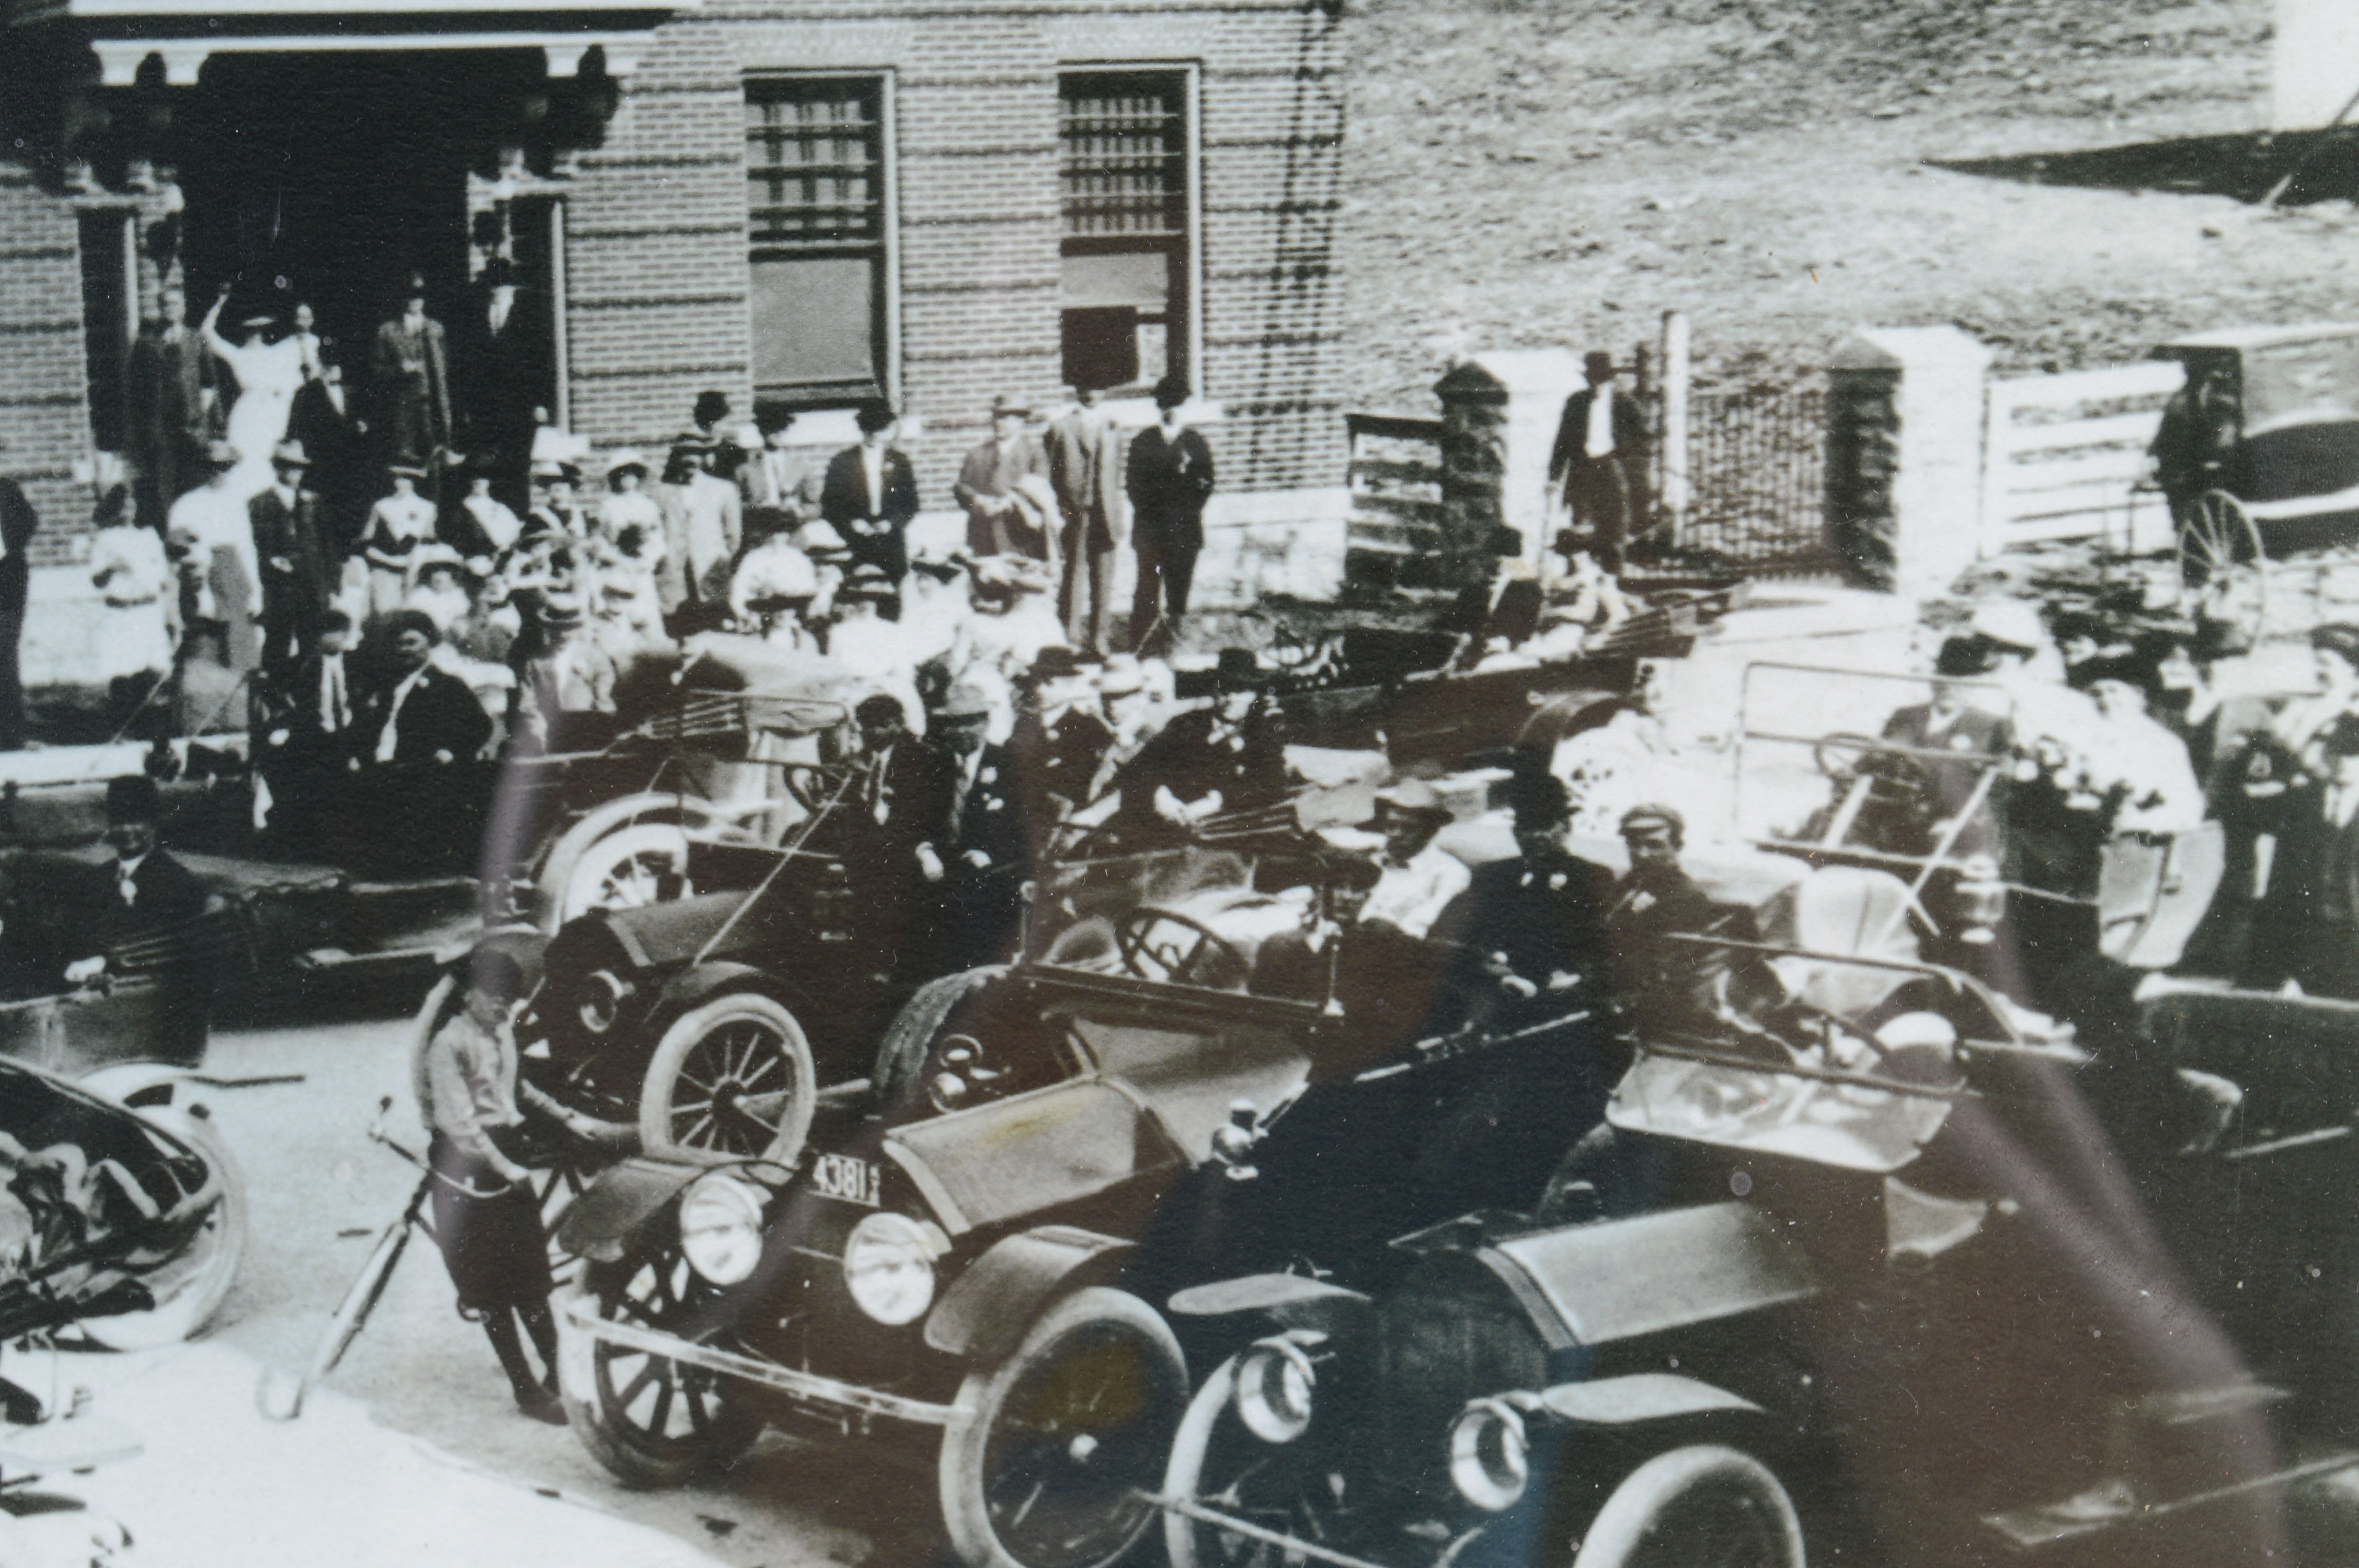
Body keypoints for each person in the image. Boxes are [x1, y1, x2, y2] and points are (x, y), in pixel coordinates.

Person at [415, 949, 579, 1423]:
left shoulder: (501, 1033)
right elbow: (460, 1126)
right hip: (464, 1168)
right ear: (469, 995)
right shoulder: (449, 1044)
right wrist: (507, 1168)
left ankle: (560, 1373)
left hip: (506, 1155)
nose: (505, 1006)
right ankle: (527, 1390)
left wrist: (568, 1118)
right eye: (495, 996)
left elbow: (516, 1090)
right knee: (488, 1288)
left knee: (532, 1278)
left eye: (511, 997)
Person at [61, 776, 215, 1063]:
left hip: (156, 1019)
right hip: (94, 1019)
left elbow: (180, 958)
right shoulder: (94, 880)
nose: (127, 830)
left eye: (136, 821)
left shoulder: (178, 883)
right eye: (119, 821)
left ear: (154, 825)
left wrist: (112, 969)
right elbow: (78, 938)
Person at [356, 609, 493, 867]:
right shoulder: (386, 685)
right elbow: (365, 727)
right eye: (399, 644)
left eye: (412, 643)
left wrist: (450, 750)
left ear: (429, 644)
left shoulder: (446, 685)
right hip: (381, 768)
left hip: (421, 770)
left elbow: (479, 725)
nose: (405, 650)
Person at [1116, 648, 1289, 838]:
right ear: (1213, 690)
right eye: (1224, 690)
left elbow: (1272, 784)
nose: (1230, 699)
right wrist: (1159, 795)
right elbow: (1140, 766)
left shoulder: (1261, 733)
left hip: (1224, 833)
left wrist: (1216, 801)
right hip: (1166, 826)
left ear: (1253, 695)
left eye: (1240, 691)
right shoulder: (1185, 724)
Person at [2247, 714, 2359, 999]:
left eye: (2355, 755)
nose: (2345, 763)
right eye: (2338, 752)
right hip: (2307, 929)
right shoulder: (2302, 800)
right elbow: (2282, 871)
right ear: (2327, 755)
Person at [167, 440, 262, 732]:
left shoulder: (237, 501)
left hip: (234, 578)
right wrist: (200, 590)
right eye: (212, 467)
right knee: (204, 647)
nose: (218, 473)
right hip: (201, 578)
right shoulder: (187, 504)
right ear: (202, 469)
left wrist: (256, 590)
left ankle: (238, 718)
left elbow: (247, 548)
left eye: (224, 467)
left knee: (238, 646)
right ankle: (202, 719)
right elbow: (180, 550)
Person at [1125, 374, 1215, 653]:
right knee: (1147, 590)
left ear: (1184, 408)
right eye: (1166, 404)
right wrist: (1156, 510)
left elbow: (1206, 483)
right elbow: (1134, 487)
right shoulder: (1144, 442)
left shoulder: (1196, 443)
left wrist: (1185, 508)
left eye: (1177, 405)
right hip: (1151, 531)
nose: (1172, 410)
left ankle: (1174, 642)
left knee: (1179, 591)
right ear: (1159, 407)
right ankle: (1142, 645)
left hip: (1185, 530)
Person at [1547, 351, 1648, 580]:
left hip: (1613, 468)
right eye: (1592, 379)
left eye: (1601, 380)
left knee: (1614, 524)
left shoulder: (1626, 404)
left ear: (1609, 379)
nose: (1596, 385)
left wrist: (1632, 471)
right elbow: (1562, 441)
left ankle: (1611, 577)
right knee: (1580, 523)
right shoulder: (1576, 402)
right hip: (1582, 468)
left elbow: (1643, 443)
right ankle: (1578, 576)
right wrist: (1554, 477)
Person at [1044, 382, 1128, 654]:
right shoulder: (1060, 428)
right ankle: (1069, 636)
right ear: (1077, 391)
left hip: (1105, 512)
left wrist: (1114, 507)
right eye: (1087, 387)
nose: (1092, 393)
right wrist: (1061, 508)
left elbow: (1115, 473)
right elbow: (1050, 473)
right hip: (1075, 511)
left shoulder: (1112, 427)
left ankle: (1099, 637)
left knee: (1104, 575)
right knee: (1074, 572)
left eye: (1098, 387)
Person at [199, 291, 305, 504]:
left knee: (269, 459)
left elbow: (299, 357)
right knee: (245, 459)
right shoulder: (238, 355)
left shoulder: (277, 353)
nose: (254, 336)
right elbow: (207, 334)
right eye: (250, 331)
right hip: (247, 416)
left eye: (259, 331)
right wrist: (220, 302)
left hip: (271, 414)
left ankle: (269, 506)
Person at [88, 484, 176, 730]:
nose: (129, 510)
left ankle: (148, 725)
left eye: (133, 504)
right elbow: (97, 579)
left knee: (150, 670)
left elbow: (162, 578)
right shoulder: (106, 539)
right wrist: (112, 567)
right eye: (124, 505)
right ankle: (122, 725)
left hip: (146, 610)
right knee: (122, 670)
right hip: (121, 612)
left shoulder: (148, 536)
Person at [821, 400, 919, 619]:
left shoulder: (899, 462)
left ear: (887, 430)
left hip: (890, 540)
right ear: (862, 429)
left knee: (893, 596)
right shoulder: (843, 462)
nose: (875, 434)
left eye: (880, 429)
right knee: (857, 592)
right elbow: (830, 505)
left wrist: (892, 523)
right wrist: (851, 524)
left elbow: (911, 503)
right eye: (869, 429)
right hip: (857, 540)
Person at [125, 287, 212, 530]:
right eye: (166, 305)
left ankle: (194, 531)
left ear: (183, 308)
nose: (170, 309)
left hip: (191, 428)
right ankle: (169, 534)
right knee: (164, 486)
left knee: (194, 481)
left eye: (175, 304)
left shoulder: (197, 339)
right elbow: (135, 392)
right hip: (161, 430)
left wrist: (199, 415)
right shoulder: (146, 344)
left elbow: (209, 384)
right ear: (160, 308)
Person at [248, 439, 329, 686]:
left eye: (299, 468)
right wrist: (272, 563)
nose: (295, 473)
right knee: (277, 643)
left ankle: (308, 698)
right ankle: (274, 696)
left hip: (311, 586)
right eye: (289, 467)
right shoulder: (260, 503)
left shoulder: (313, 501)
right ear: (278, 468)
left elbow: (327, 546)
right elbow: (257, 545)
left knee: (312, 646)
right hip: (280, 588)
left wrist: (331, 584)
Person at [1360, 779, 1470, 940]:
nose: (1396, 834)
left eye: (1409, 828)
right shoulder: (1373, 861)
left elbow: (1420, 926)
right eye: (1391, 826)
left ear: (1431, 831)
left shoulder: (1450, 872)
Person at [954, 394, 1054, 561]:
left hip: (1020, 536)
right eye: (997, 417)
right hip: (983, 536)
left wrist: (1009, 502)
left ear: (1021, 422)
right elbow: (961, 487)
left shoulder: (1034, 454)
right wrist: (978, 500)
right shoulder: (977, 454)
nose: (999, 423)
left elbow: (1040, 487)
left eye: (1006, 418)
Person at [287, 360, 370, 559]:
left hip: (350, 465)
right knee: (326, 515)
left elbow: (360, 419)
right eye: (330, 367)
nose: (335, 372)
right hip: (322, 465)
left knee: (350, 512)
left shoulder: (351, 391)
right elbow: (295, 428)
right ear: (323, 369)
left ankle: (349, 555)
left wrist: (360, 427)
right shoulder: (306, 393)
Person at [373, 273, 453, 471]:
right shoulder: (387, 331)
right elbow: (376, 371)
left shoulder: (436, 330)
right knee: (404, 469)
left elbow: (445, 375)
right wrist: (398, 370)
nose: (415, 301)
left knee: (435, 468)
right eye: (410, 296)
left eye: (419, 295)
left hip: (431, 414)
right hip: (402, 415)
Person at [665, 436, 745, 632]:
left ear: (704, 458)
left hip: (711, 565)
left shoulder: (723, 489)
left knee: (715, 619)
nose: (690, 460)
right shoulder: (667, 491)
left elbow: (733, 534)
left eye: (696, 454)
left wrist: (722, 557)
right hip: (679, 568)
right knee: (684, 623)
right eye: (684, 454)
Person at [359, 465, 439, 619]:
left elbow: (430, 539)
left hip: (416, 569)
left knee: (416, 613)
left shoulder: (428, 507)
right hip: (385, 567)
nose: (400, 483)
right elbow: (368, 538)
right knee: (387, 614)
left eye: (406, 479)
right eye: (398, 478)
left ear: (414, 481)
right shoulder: (382, 506)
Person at [0, 457, 33, 751]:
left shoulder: (7, 491)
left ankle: (9, 736)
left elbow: (28, 525)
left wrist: (9, 546)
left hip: (6, 588)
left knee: (5, 660)